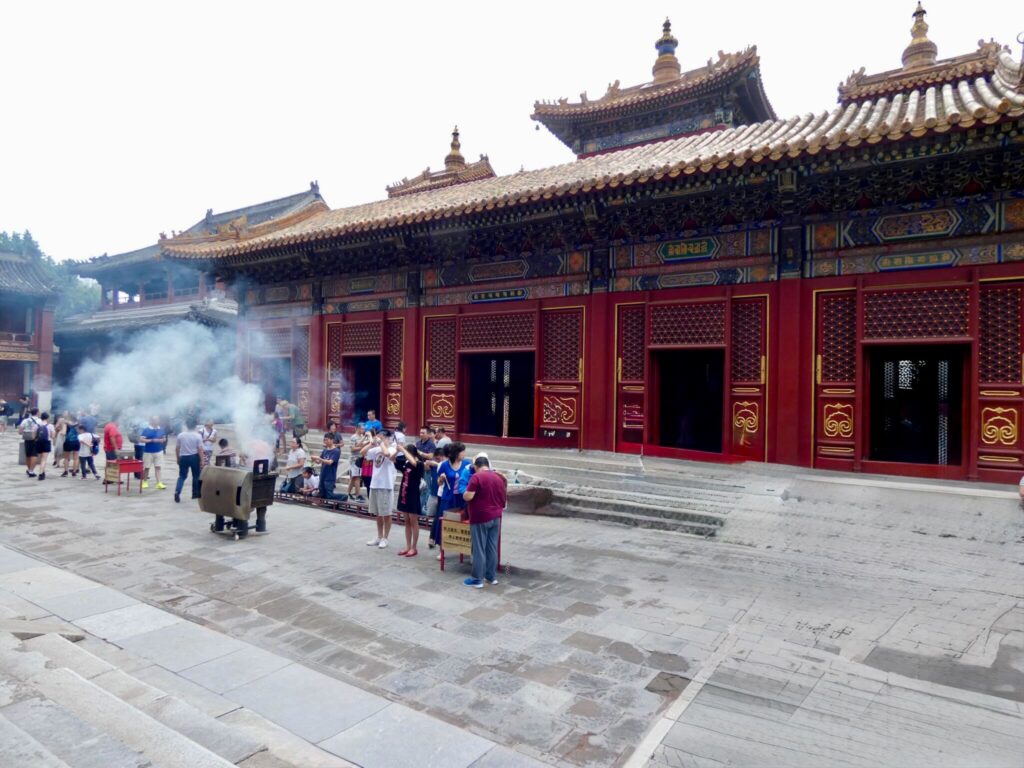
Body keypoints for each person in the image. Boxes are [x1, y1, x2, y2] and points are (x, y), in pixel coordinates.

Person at [462, 455, 507, 588]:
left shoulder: (476, 477)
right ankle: (491, 577)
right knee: (491, 547)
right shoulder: (499, 477)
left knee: (478, 548)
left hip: (480, 517)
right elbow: (503, 499)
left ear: (476, 466)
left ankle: (477, 579)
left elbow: (469, 496)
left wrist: (464, 494)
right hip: (496, 516)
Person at [362, 429, 397, 548]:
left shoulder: (392, 448)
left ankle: (385, 538)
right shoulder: (376, 449)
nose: (379, 439)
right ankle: (378, 536)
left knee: (386, 513)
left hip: (385, 485)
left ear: (387, 438)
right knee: (377, 513)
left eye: (381, 437)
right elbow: (362, 453)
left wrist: (381, 443)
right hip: (375, 484)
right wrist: (371, 443)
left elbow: (387, 454)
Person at [395, 441, 424, 557]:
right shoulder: (406, 463)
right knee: (406, 521)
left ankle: (414, 547)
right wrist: (397, 451)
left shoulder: (419, 464)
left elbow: (413, 461)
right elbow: (392, 460)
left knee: (413, 521)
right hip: (404, 494)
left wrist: (403, 450)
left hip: (413, 495)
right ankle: (407, 545)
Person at [174, 421, 204, 502]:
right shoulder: (197, 436)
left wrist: (178, 458)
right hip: (194, 457)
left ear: (186, 426)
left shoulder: (180, 435)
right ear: (195, 426)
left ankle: (177, 491)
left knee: (182, 476)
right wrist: (202, 460)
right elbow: (200, 449)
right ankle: (195, 494)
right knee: (196, 476)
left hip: (183, 457)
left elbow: (177, 448)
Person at [310, 433, 344, 500]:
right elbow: (319, 462)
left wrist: (319, 458)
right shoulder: (325, 450)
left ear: (332, 440)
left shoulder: (336, 451)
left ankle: (344, 497)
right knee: (322, 493)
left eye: (327, 440)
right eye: (324, 440)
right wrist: (314, 459)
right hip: (323, 474)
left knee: (329, 495)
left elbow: (330, 462)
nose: (325, 442)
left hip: (330, 476)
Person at [140, 417, 167, 490]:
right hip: (148, 452)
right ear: (151, 421)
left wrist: (162, 440)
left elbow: (164, 438)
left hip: (159, 451)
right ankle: (145, 482)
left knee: (158, 467)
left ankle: (159, 483)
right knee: (147, 467)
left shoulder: (161, 429)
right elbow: (141, 439)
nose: (157, 421)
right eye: (155, 420)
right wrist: (152, 440)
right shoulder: (146, 430)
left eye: (158, 420)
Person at [347, 423, 369, 499]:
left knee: (353, 477)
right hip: (354, 459)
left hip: (360, 459)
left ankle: (348, 493)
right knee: (357, 477)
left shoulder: (363, 436)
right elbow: (352, 449)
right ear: (358, 428)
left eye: (364, 429)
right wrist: (362, 448)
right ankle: (358, 495)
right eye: (362, 429)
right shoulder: (353, 437)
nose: (363, 430)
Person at [19, 407, 41, 477]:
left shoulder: (25, 420)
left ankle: (29, 469)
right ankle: (31, 471)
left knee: (28, 455)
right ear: (37, 412)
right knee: (34, 455)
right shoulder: (39, 421)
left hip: (27, 439)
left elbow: (20, 431)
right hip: (36, 439)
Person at [102, 418, 124, 485]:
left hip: (109, 449)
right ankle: (115, 479)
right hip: (112, 449)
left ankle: (108, 479)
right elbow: (112, 437)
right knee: (114, 465)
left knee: (110, 465)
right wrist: (116, 448)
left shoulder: (109, 425)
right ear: (117, 420)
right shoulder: (112, 427)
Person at [34, 412, 53, 481]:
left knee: (41, 458)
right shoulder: (50, 426)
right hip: (46, 442)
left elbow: (34, 436)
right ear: (47, 418)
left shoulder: (36, 425)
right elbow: (52, 436)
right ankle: (41, 474)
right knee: (44, 459)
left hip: (38, 443)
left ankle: (43, 472)